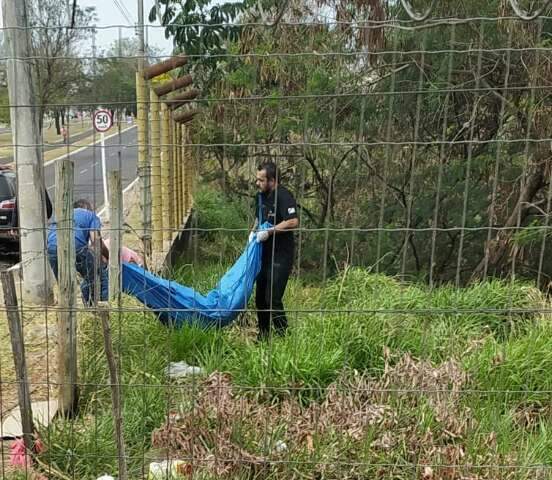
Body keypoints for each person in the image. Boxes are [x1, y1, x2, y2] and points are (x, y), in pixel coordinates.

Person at [251, 162, 299, 340]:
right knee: (260, 298)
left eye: (261, 180)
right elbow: (259, 217)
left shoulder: (284, 196)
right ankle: (263, 336)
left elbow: (293, 221)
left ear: (272, 180)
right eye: (257, 179)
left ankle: (283, 336)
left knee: (273, 298)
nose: (258, 183)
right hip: (263, 254)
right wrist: (253, 232)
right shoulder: (261, 197)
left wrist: (269, 231)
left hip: (280, 255)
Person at [47, 198, 109, 305]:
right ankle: (96, 307)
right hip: (75, 245)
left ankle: (67, 311)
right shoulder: (91, 216)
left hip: (52, 247)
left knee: (63, 284)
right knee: (97, 275)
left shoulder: (61, 215)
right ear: (87, 208)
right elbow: (96, 241)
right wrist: (105, 257)